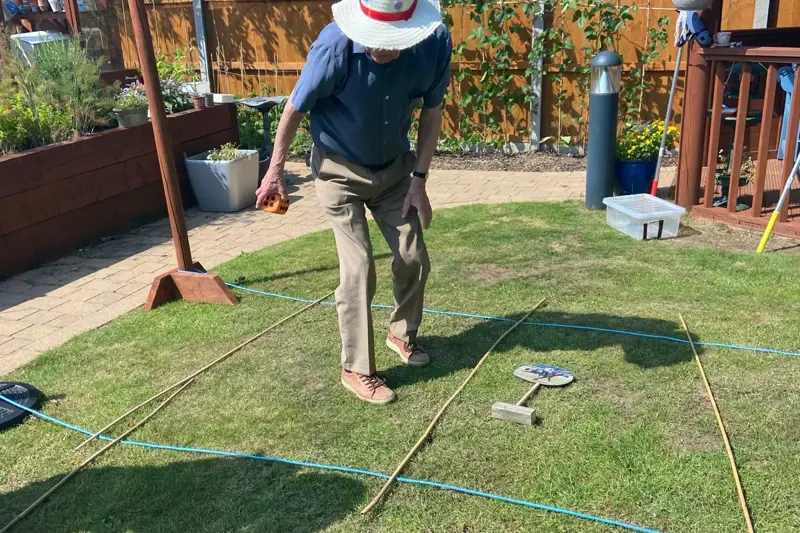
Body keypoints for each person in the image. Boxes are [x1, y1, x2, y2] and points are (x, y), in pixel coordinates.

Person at [255, 0, 452, 405]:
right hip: (337, 170)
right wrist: (275, 171)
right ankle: (356, 369)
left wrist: (419, 180)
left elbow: (431, 114)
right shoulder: (334, 47)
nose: (382, 49)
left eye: (391, 41)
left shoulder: (433, 44)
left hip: (394, 170)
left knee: (414, 256)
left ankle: (401, 334)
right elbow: (294, 108)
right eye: (375, 39)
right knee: (359, 266)